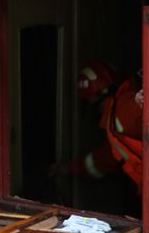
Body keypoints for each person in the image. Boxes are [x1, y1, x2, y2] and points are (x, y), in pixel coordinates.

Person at [54, 62, 143, 211]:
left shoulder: (121, 111)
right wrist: (67, 168)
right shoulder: (114, 121)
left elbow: (135, 112)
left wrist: (139, 103)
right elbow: (103, 160)